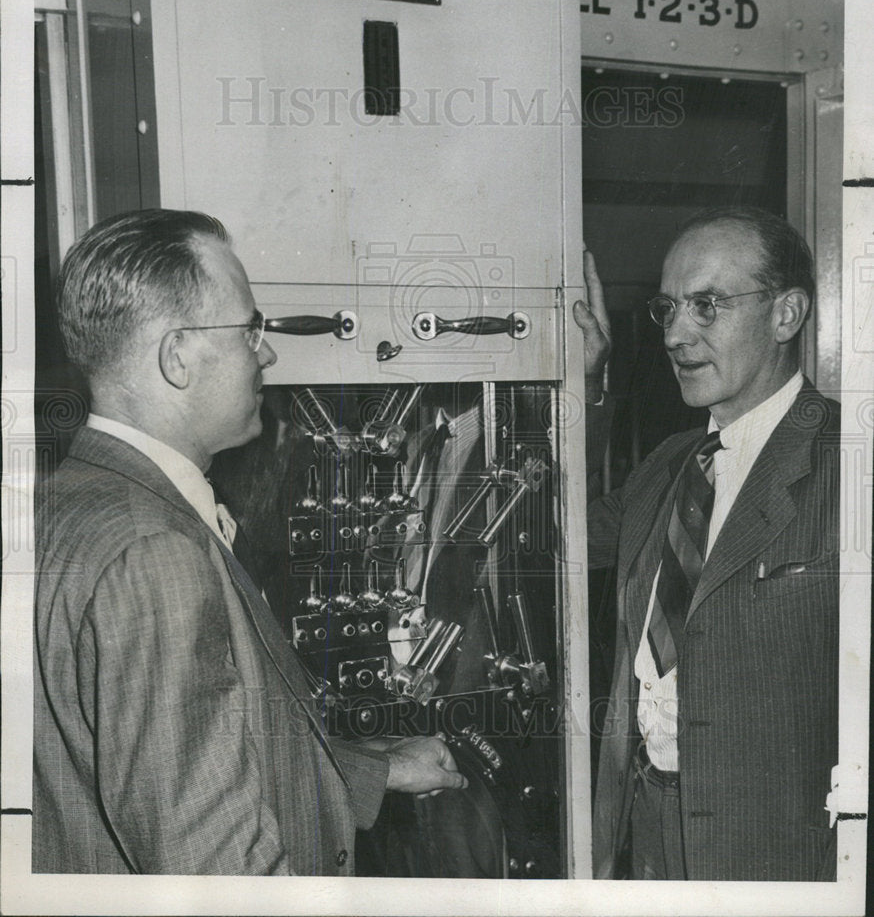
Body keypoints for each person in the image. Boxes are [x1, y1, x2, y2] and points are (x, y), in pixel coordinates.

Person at [33, 209, 467, 875]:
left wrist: (369, 771)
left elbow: (164, 753)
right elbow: (213, 866)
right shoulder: (155, 556)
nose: (265, 351)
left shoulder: (67, 498)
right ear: (177, 356)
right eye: (249, 329)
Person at [574, 206, 840, 881]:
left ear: (786, 315)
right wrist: (583, 385)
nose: (675, 334)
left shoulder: (849, 464)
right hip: (646, 831)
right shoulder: (670, 463)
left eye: (707, 306)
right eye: (668, 308)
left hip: (775, 852)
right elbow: (553, 533)